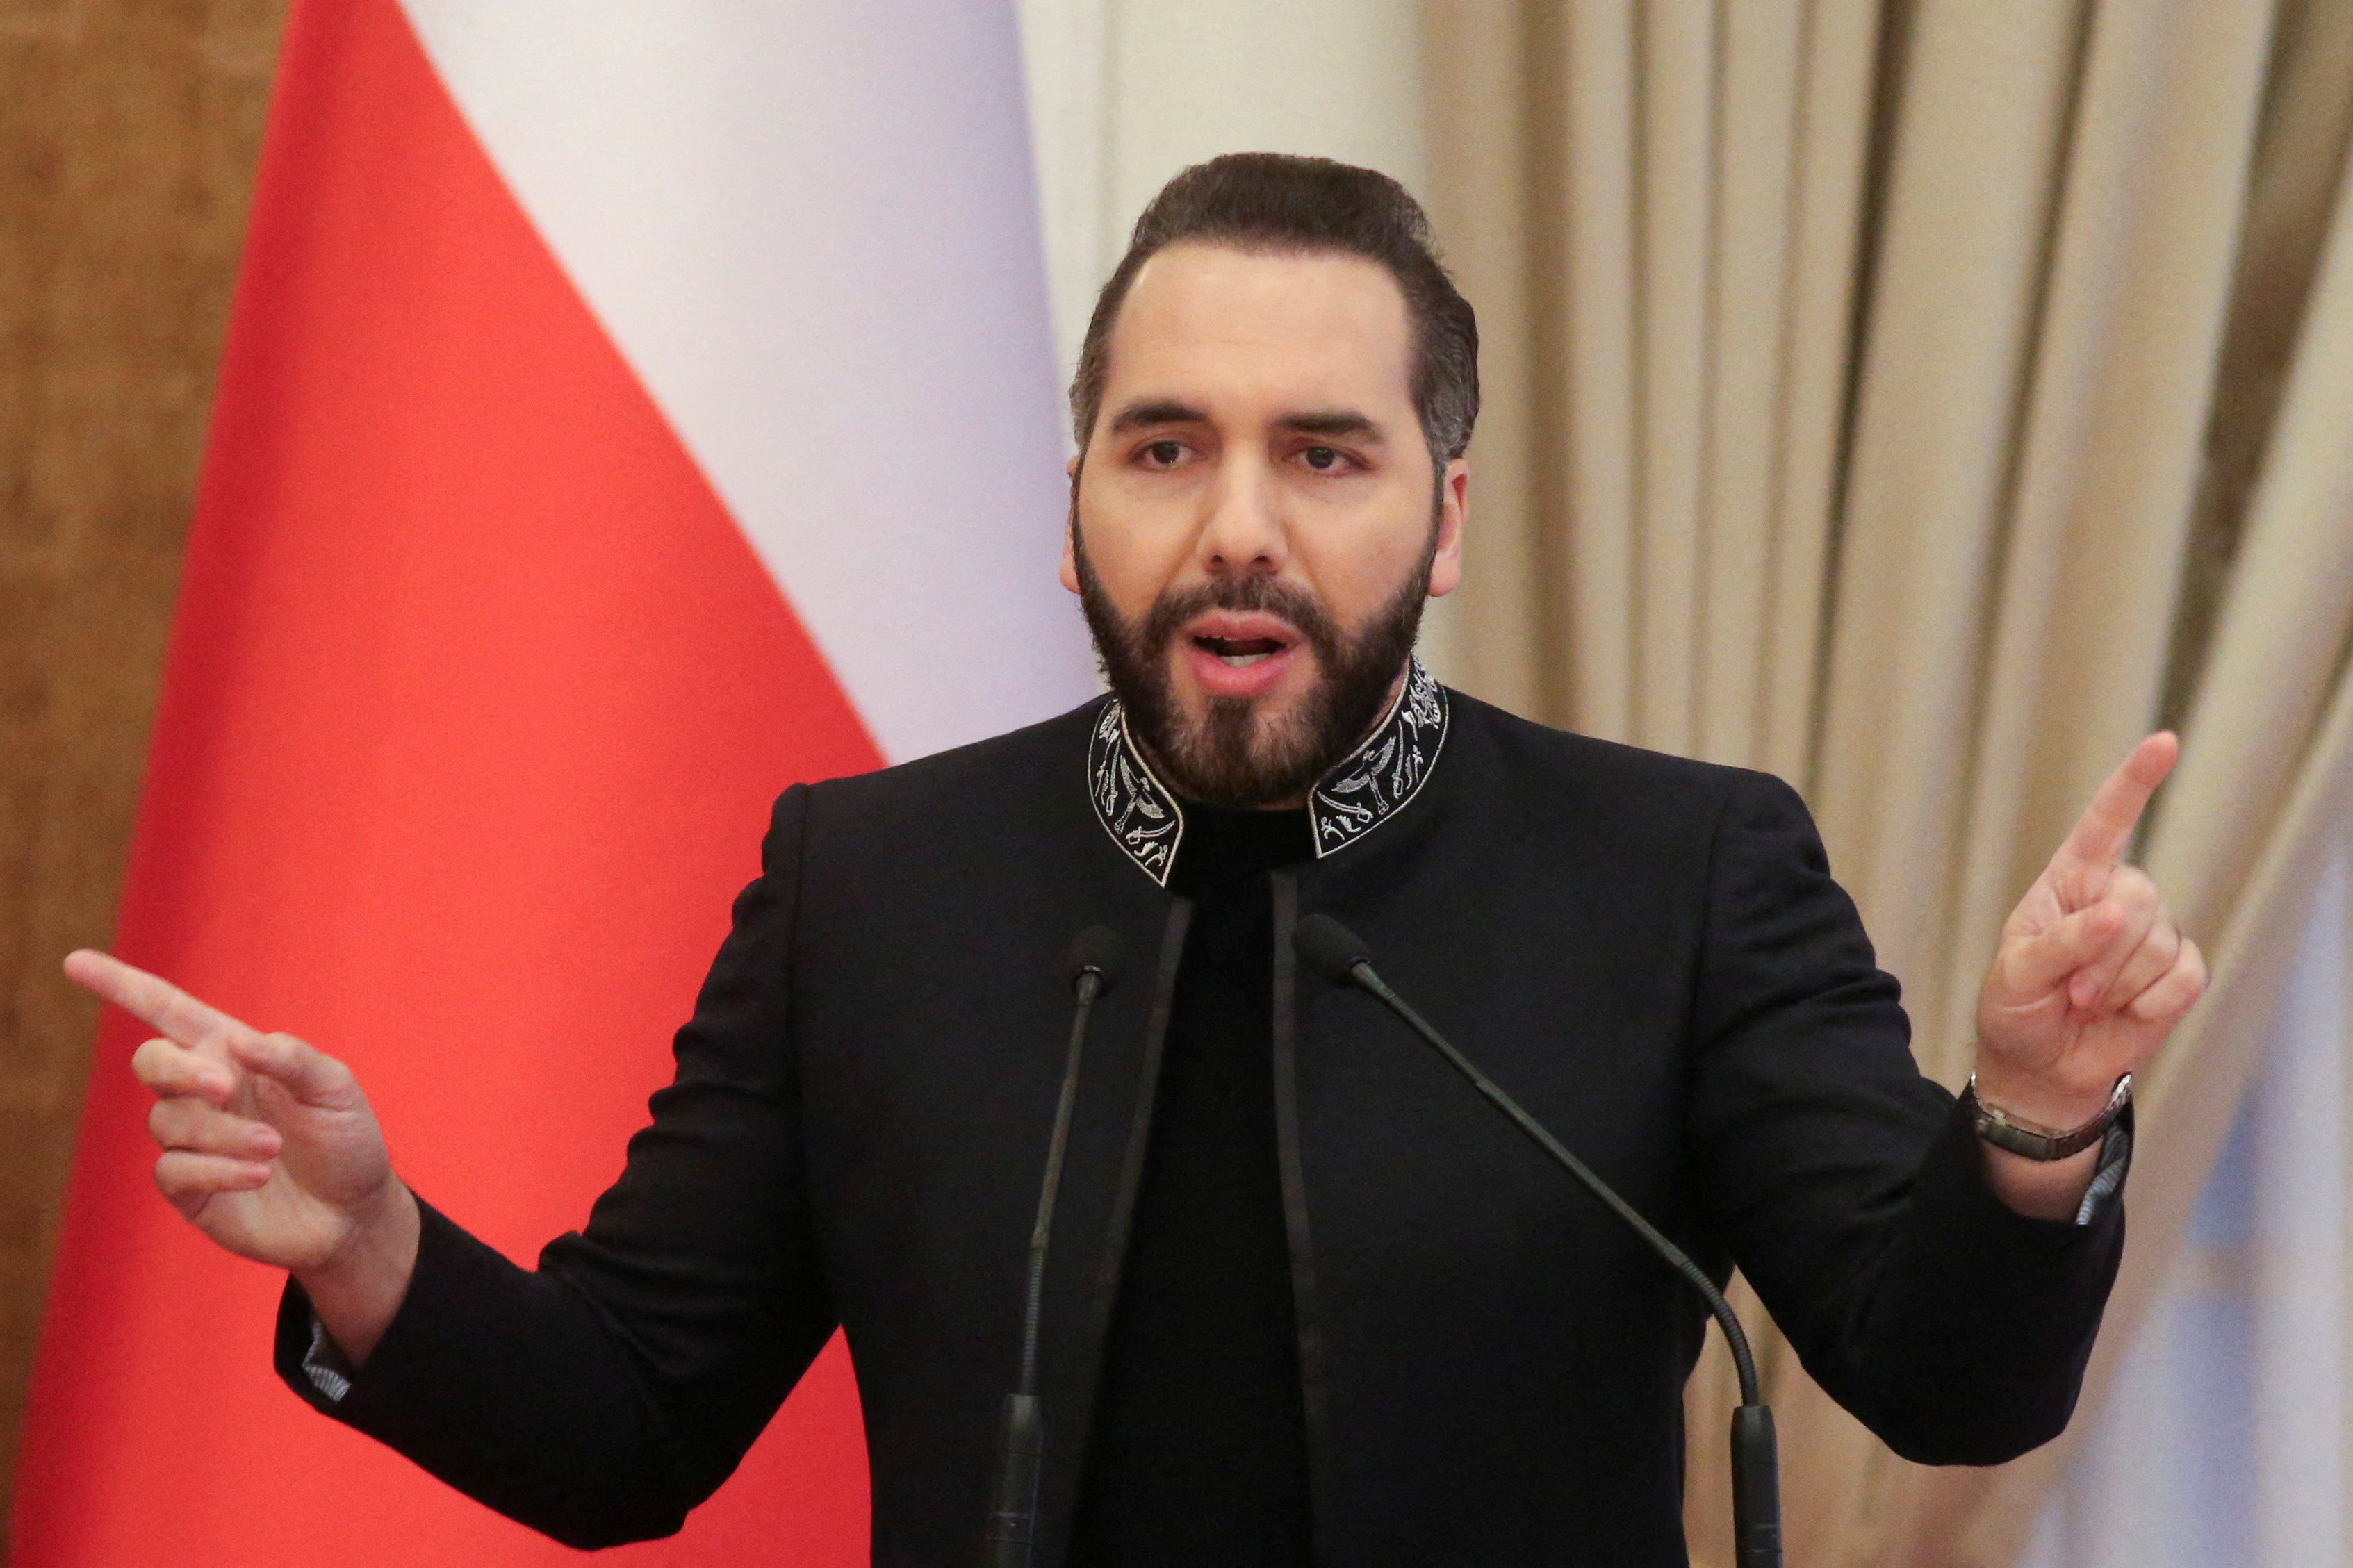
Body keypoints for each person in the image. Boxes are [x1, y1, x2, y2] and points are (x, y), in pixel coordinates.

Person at [67, 154, 2205, 1567]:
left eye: (1324, 452)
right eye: (1164, 445)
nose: (1235, 522)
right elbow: (627, 1422)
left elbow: (1945, 1377)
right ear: (1077, 492)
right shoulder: (872, 886)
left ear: (1442, 520)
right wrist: (370, 1242)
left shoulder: (1678, 871)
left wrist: (2029, 1117)